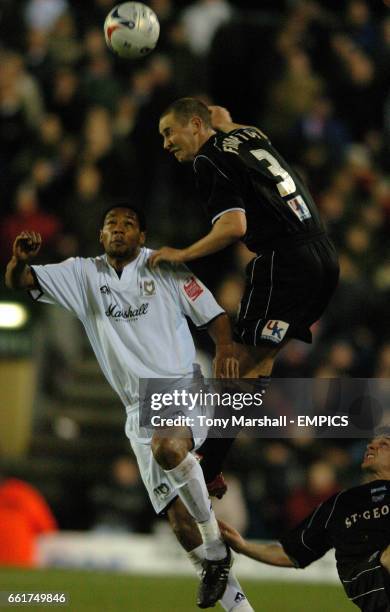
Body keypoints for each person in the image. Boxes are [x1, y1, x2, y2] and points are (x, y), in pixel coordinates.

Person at [5, 205, 253, 611]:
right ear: (101, 236)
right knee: (177, 519)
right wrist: (19, 261)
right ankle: (240, 606)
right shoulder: (83, 274)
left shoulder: (166, 267)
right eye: (111, 225)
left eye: (128, 224)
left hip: (180, 385)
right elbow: (20, 281)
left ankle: (216, 547)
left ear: (142, 235)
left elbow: (214, 314)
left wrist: (225, 348)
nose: (118, 229)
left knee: (168, 448)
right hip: (136, 408)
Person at [151, 97, 340, 487]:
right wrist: (223, 118)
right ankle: (214, 462)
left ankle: (207, 461)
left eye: (170, 132)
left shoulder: (208, 160)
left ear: (197, 126)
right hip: (323, 256)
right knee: (256, 364)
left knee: (234, 361)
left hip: (284, 262)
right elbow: (227, 119)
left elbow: (234, 227)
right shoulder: (250, 135)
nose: (166, 143)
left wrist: (182, 253)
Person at [219, 427, 390, 612]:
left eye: (384, 445)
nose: (371, 446)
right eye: (372, 442)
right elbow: (291, 553)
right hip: (371, 583)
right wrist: (244, 546)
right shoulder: (340, 504)